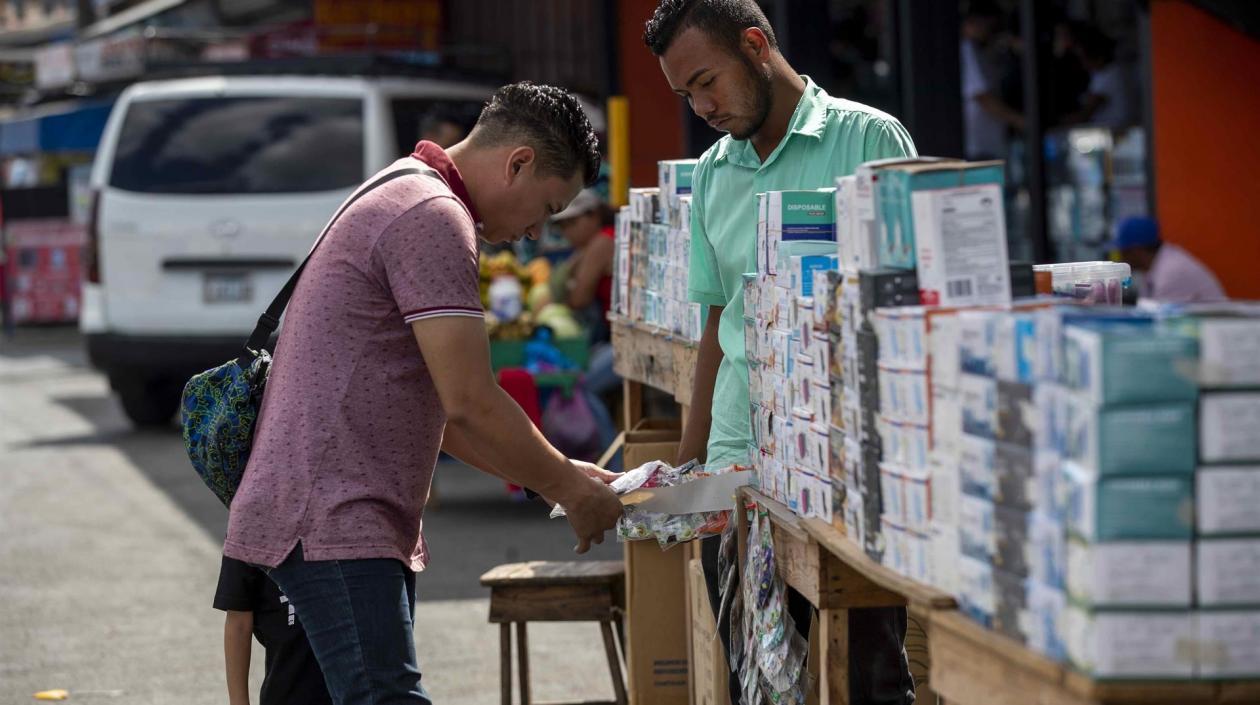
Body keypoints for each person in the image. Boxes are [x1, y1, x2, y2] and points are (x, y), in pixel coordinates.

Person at [222, 82, 624, 705]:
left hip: (331, 513)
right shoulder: (433, 216)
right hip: (334, 514)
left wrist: (558, 472)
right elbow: (471, 401)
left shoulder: (406, 186)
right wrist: (570, 490)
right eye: (546, 208)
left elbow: (452, 420)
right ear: (517, 162)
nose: (534, 232)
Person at [644, 2, 916, 703]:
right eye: (685, 95)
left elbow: (912, 305)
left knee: (868, 675)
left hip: (844, 472)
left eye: (707, 81)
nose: (701, 106)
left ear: (757, 45)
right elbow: (715, 326)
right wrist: (688, 466)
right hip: (738, 469)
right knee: (756, 681)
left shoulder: (868, 140)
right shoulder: (712, 174)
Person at [214, 555, 332, 705]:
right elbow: (239, 622)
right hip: (290, 689)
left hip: (357, 687)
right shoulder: (250, 534)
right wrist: (238, 701)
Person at [960, 0, 1023, 160]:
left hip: (990, 144)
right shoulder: (967, 50)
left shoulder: (982, 51)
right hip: (978, 148)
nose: (991, 33)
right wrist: (1021, 122)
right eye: (989, 27)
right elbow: (983, 98)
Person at [1112, 216, 1227, 303]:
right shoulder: (1155, 266)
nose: (1120, 259)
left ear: (1136, 251)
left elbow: (1160, 325)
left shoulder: (1171, 272)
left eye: (1123, 253)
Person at [1064, 27, 1137, 130]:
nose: (1083, 65)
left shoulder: (1109, 75)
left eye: (1085, 59)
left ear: (1099, 58)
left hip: (1115, 132)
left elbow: (1085, 114)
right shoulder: (1104, 73)